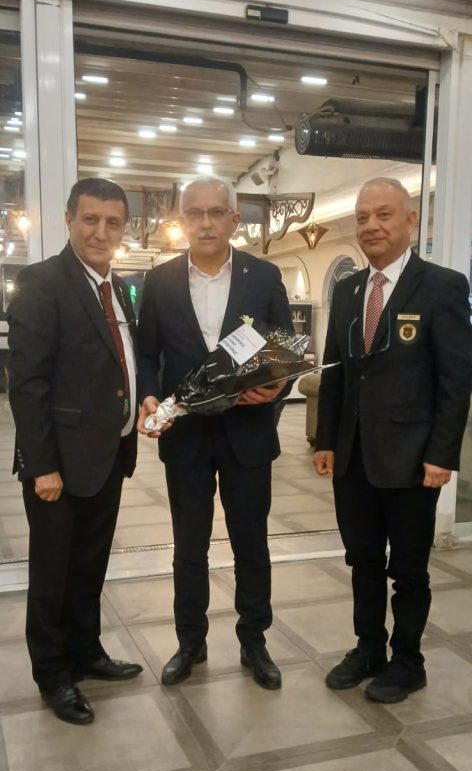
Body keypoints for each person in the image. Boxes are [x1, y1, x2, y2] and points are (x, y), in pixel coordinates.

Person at [315, 177, 472, 703]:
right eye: (362, 217)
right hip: (353, 456)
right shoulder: (347, 289)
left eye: (383, 214)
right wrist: (325, 439)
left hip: (411, 459)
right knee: (361, 561)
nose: (371, 226)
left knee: (407, 570)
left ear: (411, 220)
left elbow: (455, 380)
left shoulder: (443, 287)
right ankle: (368, 649)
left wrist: (442, 454)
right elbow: (336, 372)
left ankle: (408, 661)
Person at [137, 176, 292, 690]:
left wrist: (278, 387)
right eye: (195, 213)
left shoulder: (263, 276)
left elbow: (285, 350)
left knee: (252, 544)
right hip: (186, 437)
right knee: (189, 547)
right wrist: (149, 395)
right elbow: (146, 354)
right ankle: (190, 643)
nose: (205, 222)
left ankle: (255, 642)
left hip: (248, 434)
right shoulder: (159, 281)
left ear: (234, 219)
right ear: (182, 220)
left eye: (216, 212)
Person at [8, 178, 143, 726]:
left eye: (112, 223)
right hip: (58, 465)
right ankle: (53, 673)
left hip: (107, 455)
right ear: (69, 220)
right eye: (90, 220)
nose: (100, 232)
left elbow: (119, 362)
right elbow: (27, 384)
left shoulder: (119, 289)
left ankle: (86, 652)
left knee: (90, 565)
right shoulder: (42, 283)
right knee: (53, 574)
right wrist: (41, 466)